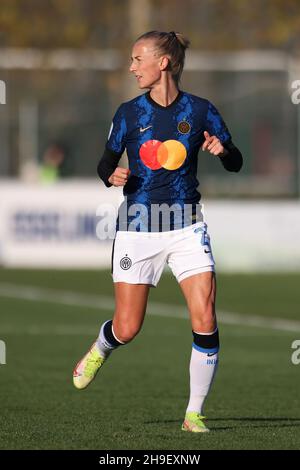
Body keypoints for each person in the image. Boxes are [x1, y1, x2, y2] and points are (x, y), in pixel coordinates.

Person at [73, 30, 243, 433]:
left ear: (162, 63)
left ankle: (193, 414)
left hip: (187, 225)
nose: (132, 67)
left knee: (205, 315)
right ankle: (102, 346)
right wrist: (110, 175)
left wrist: (224, 151)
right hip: (138, 229)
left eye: (137, 59)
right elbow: (104, 163)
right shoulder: (129, 113)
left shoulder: (202, 111)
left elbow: (236, 160)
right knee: (128, 327)